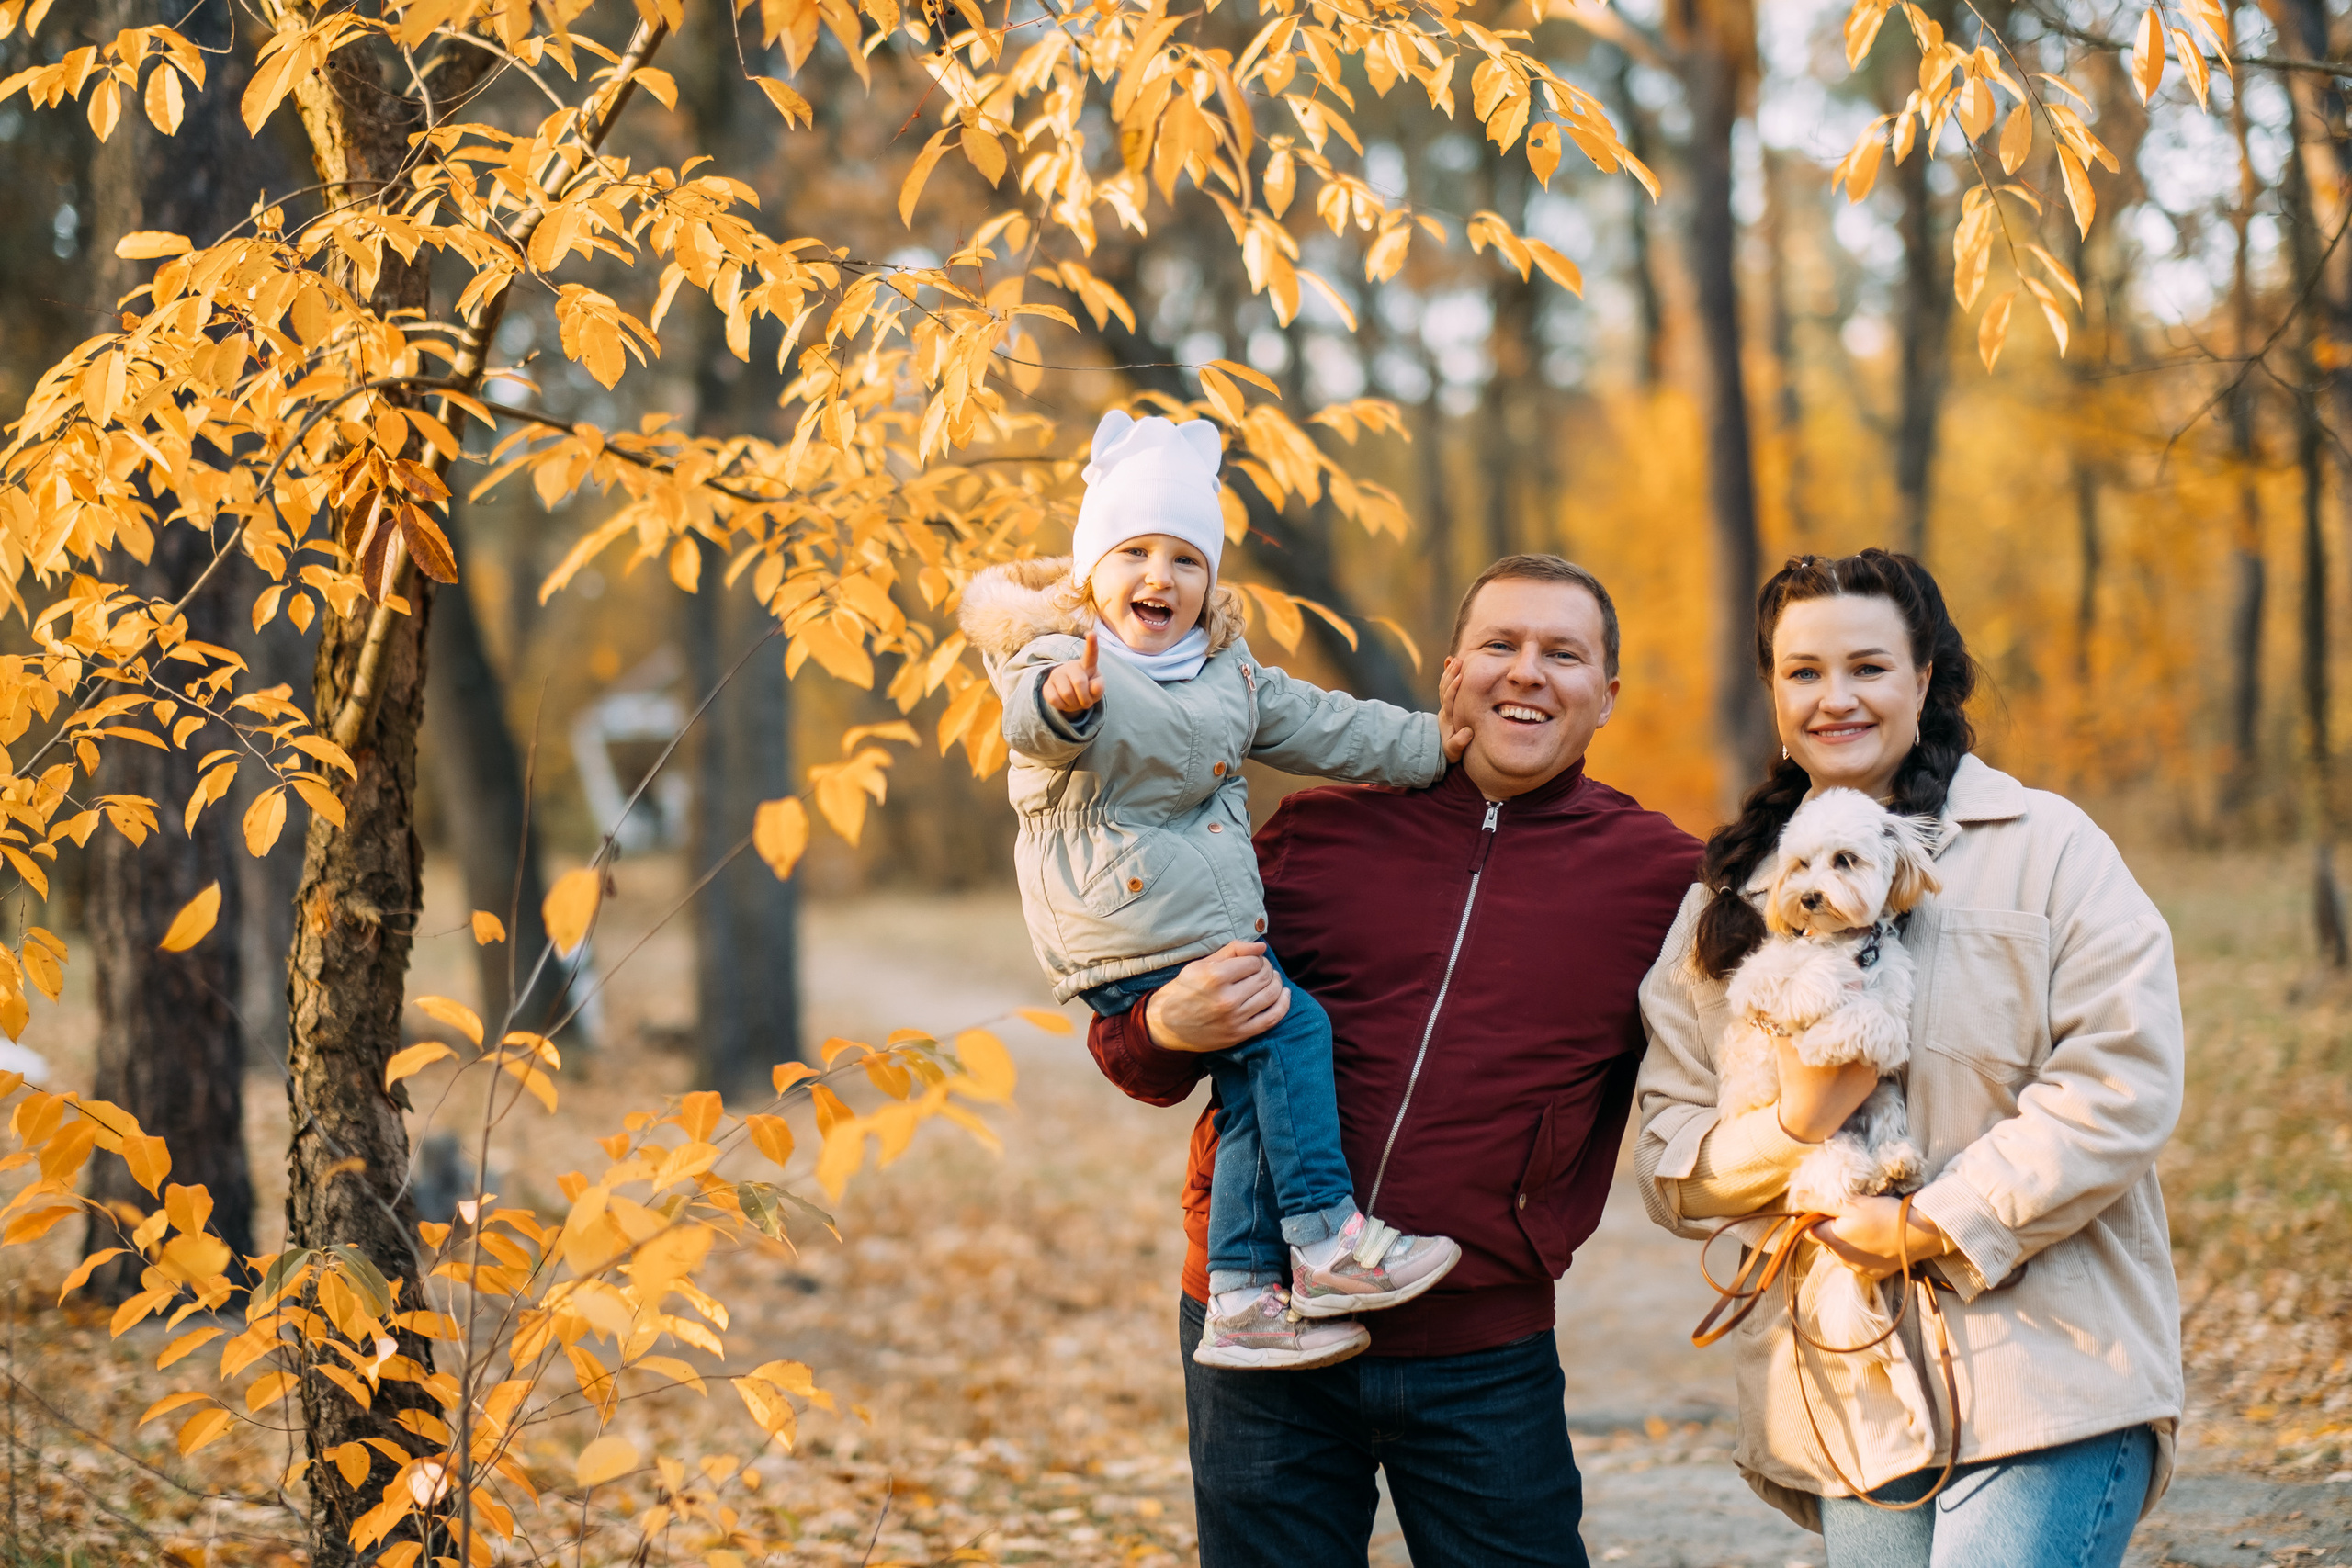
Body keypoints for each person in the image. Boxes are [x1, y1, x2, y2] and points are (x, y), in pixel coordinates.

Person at [1085, 553, 1699, 1567]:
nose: (1527, 673)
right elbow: (1136, 1060)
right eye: (1500, 644)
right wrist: (1165, 1027)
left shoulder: (1662, 880)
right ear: (1453, 672)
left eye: (1562, 653)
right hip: (1259, 1324)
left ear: (1606, 697)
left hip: (1480, 1350)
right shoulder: (1317, 831)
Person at [1635, 548, 2185, 1567]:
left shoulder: (2047, 845)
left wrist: (1935, 1220)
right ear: (1772, 690)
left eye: (1868, 667)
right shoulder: (1727, 901)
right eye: (1802, 672)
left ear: (1924, 679)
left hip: (2050, 1362)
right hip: (1853, 1387)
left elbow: (2123, 1078)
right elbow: (1671, 1156)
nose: (1833, 698)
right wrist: (1796, 1123)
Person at [962, 409, 1467, 1373]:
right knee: (1293, 1029)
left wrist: (1428, 746)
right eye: (1135, 552)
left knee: (1251, 1081)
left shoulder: (1222, 670)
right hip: (1126, 916)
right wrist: (1067, 704)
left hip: (1184, 918)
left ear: (1210, 581)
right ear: (1090, 574)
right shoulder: (1059, 657)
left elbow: (1320, 722)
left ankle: (1240, 1301)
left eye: (1186, 558)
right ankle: (1325, 1241)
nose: (1160, 576)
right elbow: (1030, 721)